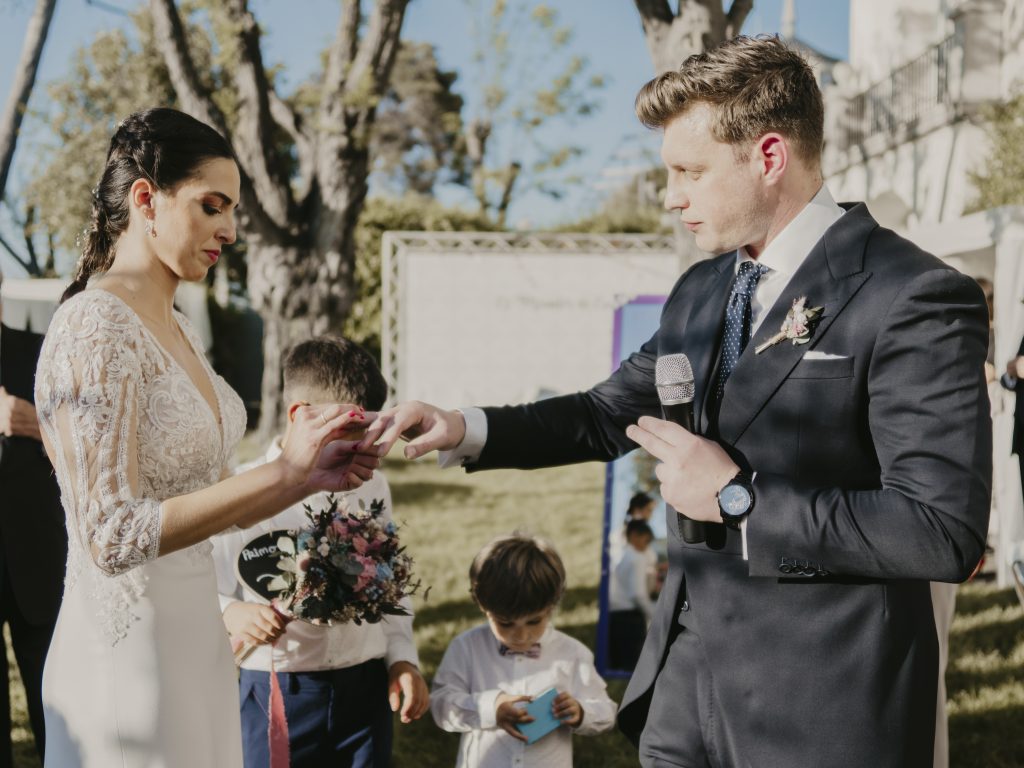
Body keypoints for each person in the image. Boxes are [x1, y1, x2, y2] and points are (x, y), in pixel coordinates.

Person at [365, 35, 991, 767]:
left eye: (689, 171)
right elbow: (607, 413)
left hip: (825, 703)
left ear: (768, 155)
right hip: (684, 695)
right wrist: (463, 428)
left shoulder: (912, 293)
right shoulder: (701, 289)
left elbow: (941, 530)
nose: (671, 194)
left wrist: (738, 498)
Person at [33, 108, 379, 768]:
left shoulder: (180, 325)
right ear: (145, 199)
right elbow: (110, 534)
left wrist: (312, 473)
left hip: (200, 642)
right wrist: (285, 474)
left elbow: (205, 495)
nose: (230, 229)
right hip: (131, 659)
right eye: (212, 205)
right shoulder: (94, 328)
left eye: (235, 210)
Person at [212, 336, 429, 767]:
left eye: (372, 431)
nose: (366, 446)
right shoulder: (242, 490)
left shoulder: (372, 485)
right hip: (278, 687)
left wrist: (402, 659)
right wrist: (231, 613)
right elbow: (205, 585)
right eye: (352, 430)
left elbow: (389, 584)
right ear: (301, 415)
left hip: (364, 684)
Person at [430, 532, 616, 767]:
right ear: (481, 604)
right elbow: (441, 707)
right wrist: (491, 708)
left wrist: (581, 711)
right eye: (505, 623)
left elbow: (606, 712)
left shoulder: (573, 653)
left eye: (533, 622)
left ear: (552, 606)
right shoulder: (466, 648)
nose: (520, 636)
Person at [0, 269, 67, 767]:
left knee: (57, 714)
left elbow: (95, 443)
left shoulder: (48, 349)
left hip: (40, 561)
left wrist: (36, 426)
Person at [607, 519, 655, 670]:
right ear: (634, 536)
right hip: (631, 619)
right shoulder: (638, 559)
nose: (646, 546)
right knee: (634, 666)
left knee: (619, 661)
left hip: (615, 617)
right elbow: (637, 594)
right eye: (646, 541)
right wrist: (654, 614)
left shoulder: (622, 556)